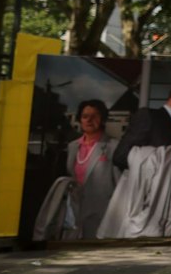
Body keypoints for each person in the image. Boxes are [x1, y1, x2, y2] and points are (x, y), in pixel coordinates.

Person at [100, 84, 171, 238]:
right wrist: (169, 156)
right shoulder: (149, 116)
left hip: (169, 213)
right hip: (146, 214)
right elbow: (120, 156)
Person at [31, 99, 117, 240]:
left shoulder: (113, 146)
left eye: (95, 116)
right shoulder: (73, 146)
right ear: (80, 120)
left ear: (102, 119)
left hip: (101, 214)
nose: (89, 120)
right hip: (74, 212)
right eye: (85, 116)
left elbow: (120, 184)